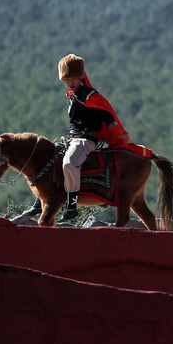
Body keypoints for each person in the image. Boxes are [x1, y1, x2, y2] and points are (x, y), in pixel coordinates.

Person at [57, 54, 134, 222]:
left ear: (80, 77)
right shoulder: (73, 96)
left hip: (86, 140)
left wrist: (116, 130)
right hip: (72, 138)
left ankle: (71, 205)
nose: (70, 82)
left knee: (69, 163)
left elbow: (106, 113)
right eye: (67, 79)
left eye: (74, 79)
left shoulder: (90, 96)